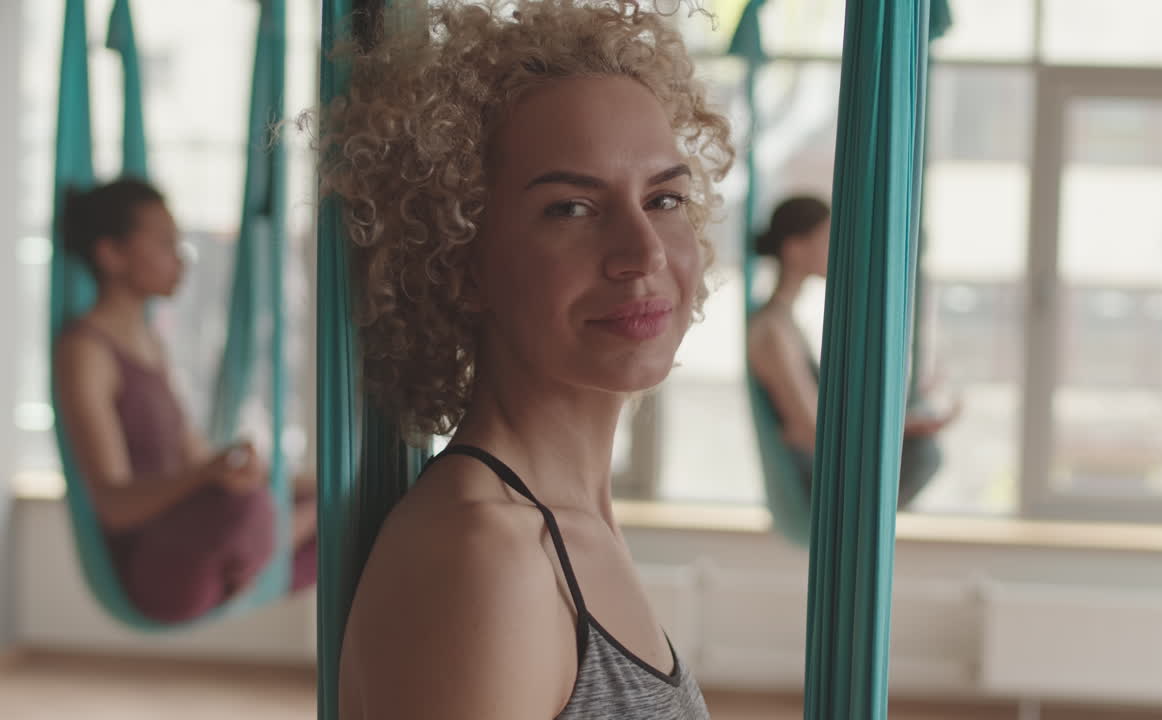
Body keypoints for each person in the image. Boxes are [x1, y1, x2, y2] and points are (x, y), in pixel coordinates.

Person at [317, 1, 732, 717]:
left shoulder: (562, 523)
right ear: (463, 260)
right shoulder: (487, 555)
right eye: (571, 208)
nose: (644, 253)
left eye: (664, 198)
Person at [53, 178, 317, 623]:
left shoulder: (150, 342)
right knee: (251, 505)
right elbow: (115, 505)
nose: (181, 258)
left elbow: (193, 455)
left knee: (323, 486)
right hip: (157, 571)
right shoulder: (87, 351)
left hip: (198, 545)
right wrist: (208, 476)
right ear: (111, 254)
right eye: (164, 243)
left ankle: (263, 549)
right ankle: (269, 545)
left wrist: (236, 467)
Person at [747, 195, 958, 508]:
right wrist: (901, 428)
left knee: (920, 433)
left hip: (824, 462)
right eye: (826, 238)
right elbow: (807, 430)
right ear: (794, 249)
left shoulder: (785, 322)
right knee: (924, 452)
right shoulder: (772, 330)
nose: (837, 248)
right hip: (817, 481)